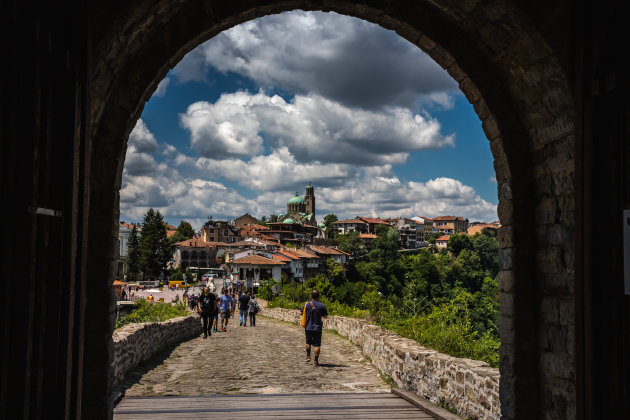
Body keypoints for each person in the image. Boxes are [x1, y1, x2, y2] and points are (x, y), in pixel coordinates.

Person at [300, 290, 328, 366]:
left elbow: (300, 313)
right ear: (318, 297)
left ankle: (308, 356)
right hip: (317, 328)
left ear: (311, 296)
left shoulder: (306, 304)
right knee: (317, 344)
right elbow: (325, 316)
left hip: (308, 327)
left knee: (308, 342)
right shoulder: (322, 305)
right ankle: (315, 361)